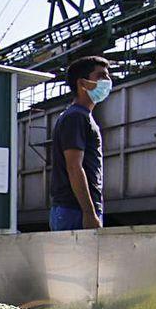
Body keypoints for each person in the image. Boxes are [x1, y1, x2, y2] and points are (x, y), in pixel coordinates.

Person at [49, 55, 112, 231]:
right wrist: (89, 213)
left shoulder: (80, 117)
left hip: (75, 210)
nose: (107, 81)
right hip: (74, 211)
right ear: (82, 83)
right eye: (100, 76)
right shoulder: (76, 117)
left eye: (107, 76)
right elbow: (74, 167)